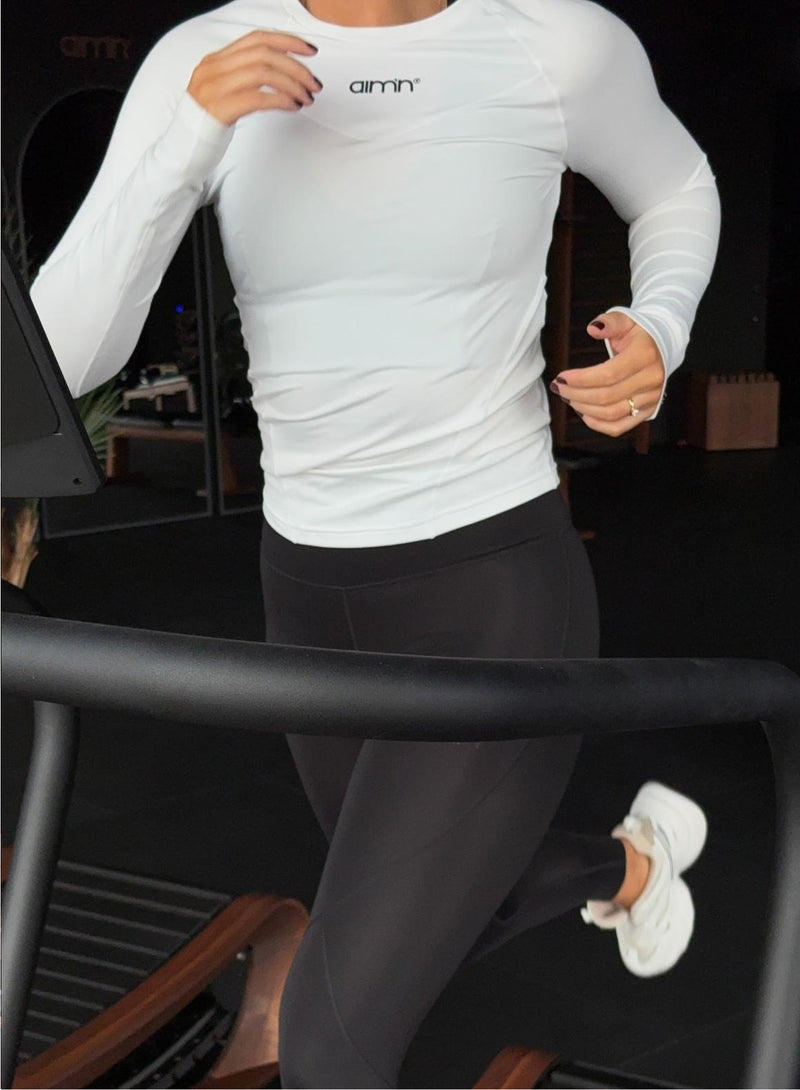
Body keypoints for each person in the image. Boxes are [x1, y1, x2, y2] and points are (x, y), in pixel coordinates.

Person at [28, 0, 721, 1084]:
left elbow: (676, 186)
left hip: (495, 586)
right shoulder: (202, 57)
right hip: (309, 593)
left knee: (327, 1036)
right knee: (443, 899)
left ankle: (626, 867)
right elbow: (64, 357)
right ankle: (627, 867)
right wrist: (188, 140)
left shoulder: (553, 42)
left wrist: (660, 324)